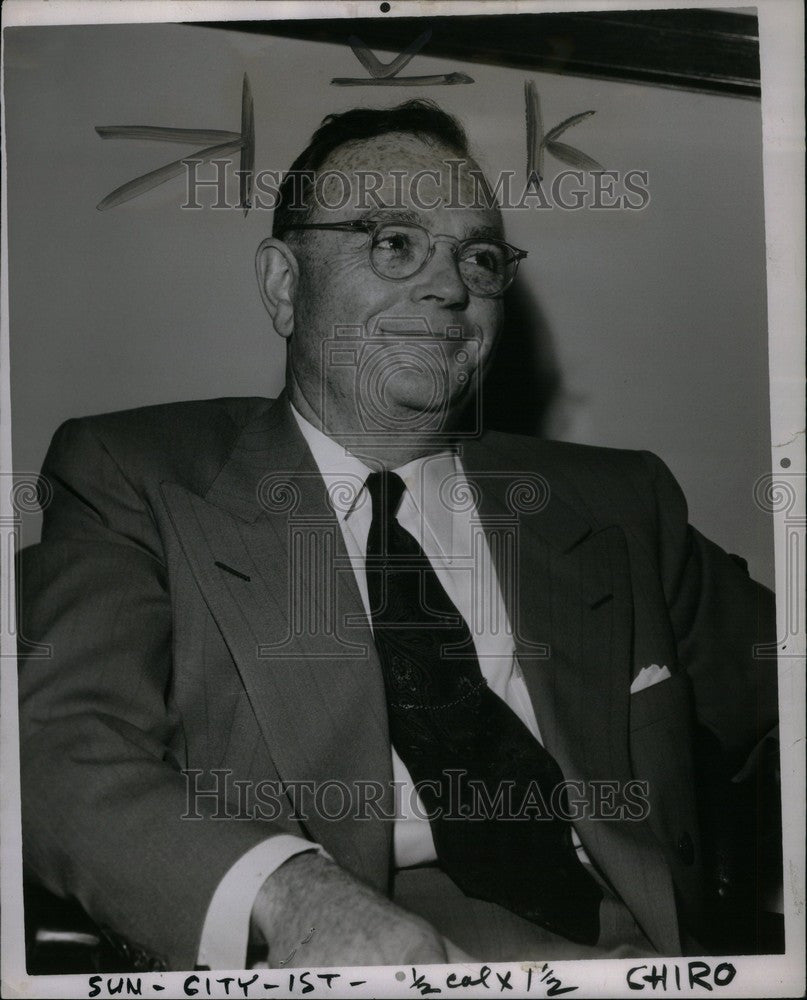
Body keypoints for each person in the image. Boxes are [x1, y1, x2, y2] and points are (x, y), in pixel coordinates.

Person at [17, 100, 781, 973]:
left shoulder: (618, 502)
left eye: (479, 257)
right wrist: (292, 894)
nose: (449, 287)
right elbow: (58, 750)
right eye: (393, 243)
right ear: (283, 285)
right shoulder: (136, 477)